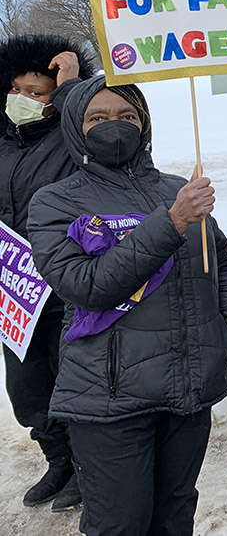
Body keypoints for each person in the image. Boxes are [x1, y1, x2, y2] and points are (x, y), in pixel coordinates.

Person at [26, 76, 227, 534]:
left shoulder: (174, 188)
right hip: (110, 400)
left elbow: (219, 258)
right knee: (119, 525)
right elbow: (87, 285)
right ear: (76, 126)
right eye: (98, 117)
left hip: (189, 391)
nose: (115, 125)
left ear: (144, 124)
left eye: (127, 116)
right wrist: (170, 222)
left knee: (175, 515)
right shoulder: (55, 202)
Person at [0, 34, 95, 511]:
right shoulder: (2, 142)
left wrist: (72, 84)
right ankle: (56, 458)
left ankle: (85, 466)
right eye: (17, 90)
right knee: (27, 387)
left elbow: (90, 128)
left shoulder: (73, 136)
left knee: (71, 380)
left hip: (65, 284)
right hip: (14, 292)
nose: (24, 100)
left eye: (37, 92)